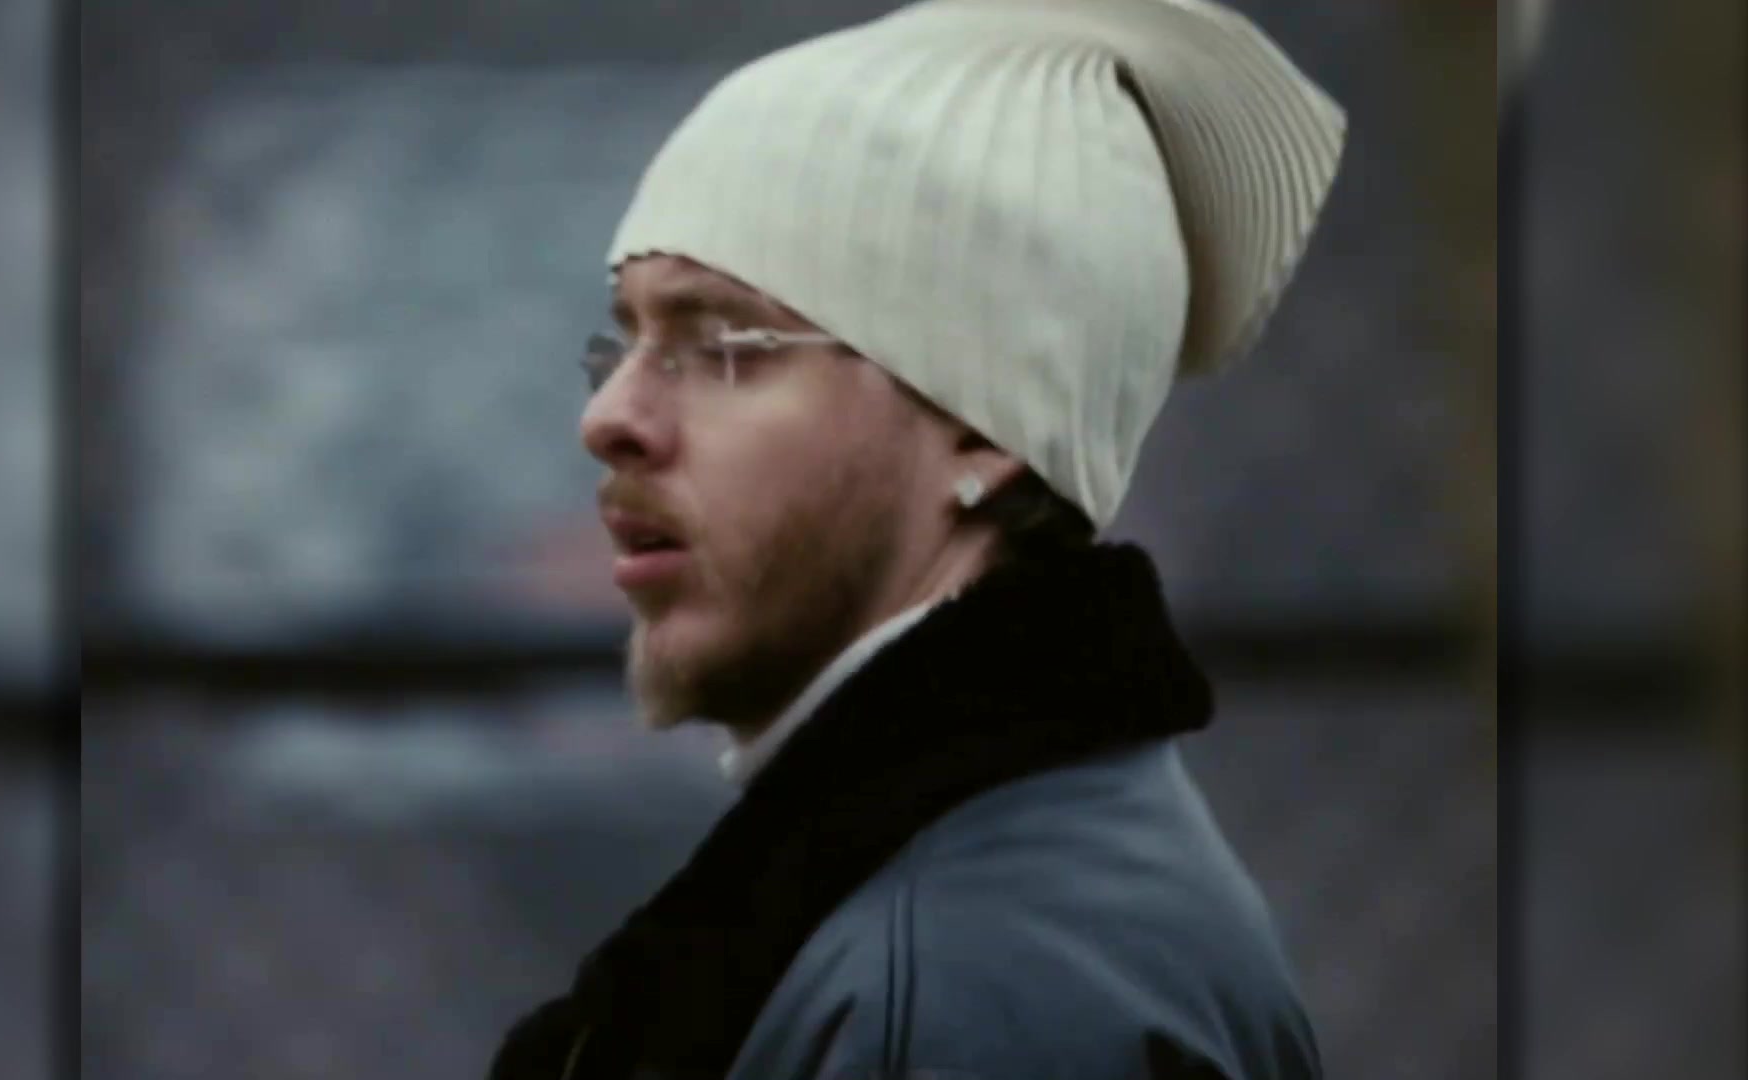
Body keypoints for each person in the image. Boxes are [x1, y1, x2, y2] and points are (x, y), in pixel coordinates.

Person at [492, 0, 1346, 1076]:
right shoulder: (985, 898)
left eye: (721, 346)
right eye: (622, 342)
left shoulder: (966, 990)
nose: (609, 416)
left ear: (985, 427)